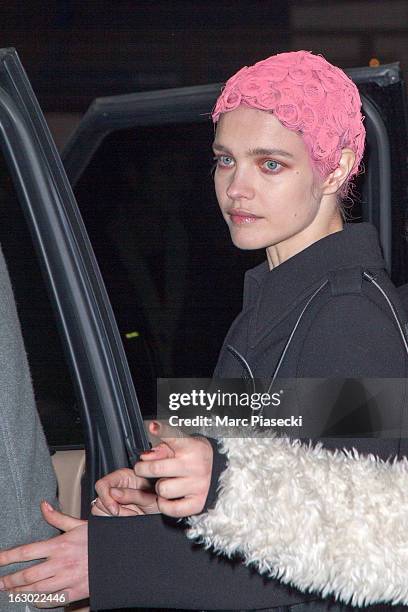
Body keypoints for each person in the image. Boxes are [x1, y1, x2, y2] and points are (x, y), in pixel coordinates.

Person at [1, 50, 408, 611]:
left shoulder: (349, 317)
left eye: (270, 164)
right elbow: (267, 485)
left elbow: (347, 540)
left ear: (335, 168)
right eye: (225, 161)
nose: (236, 187)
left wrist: (111, 560)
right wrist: (165, 497)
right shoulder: (277, 298)